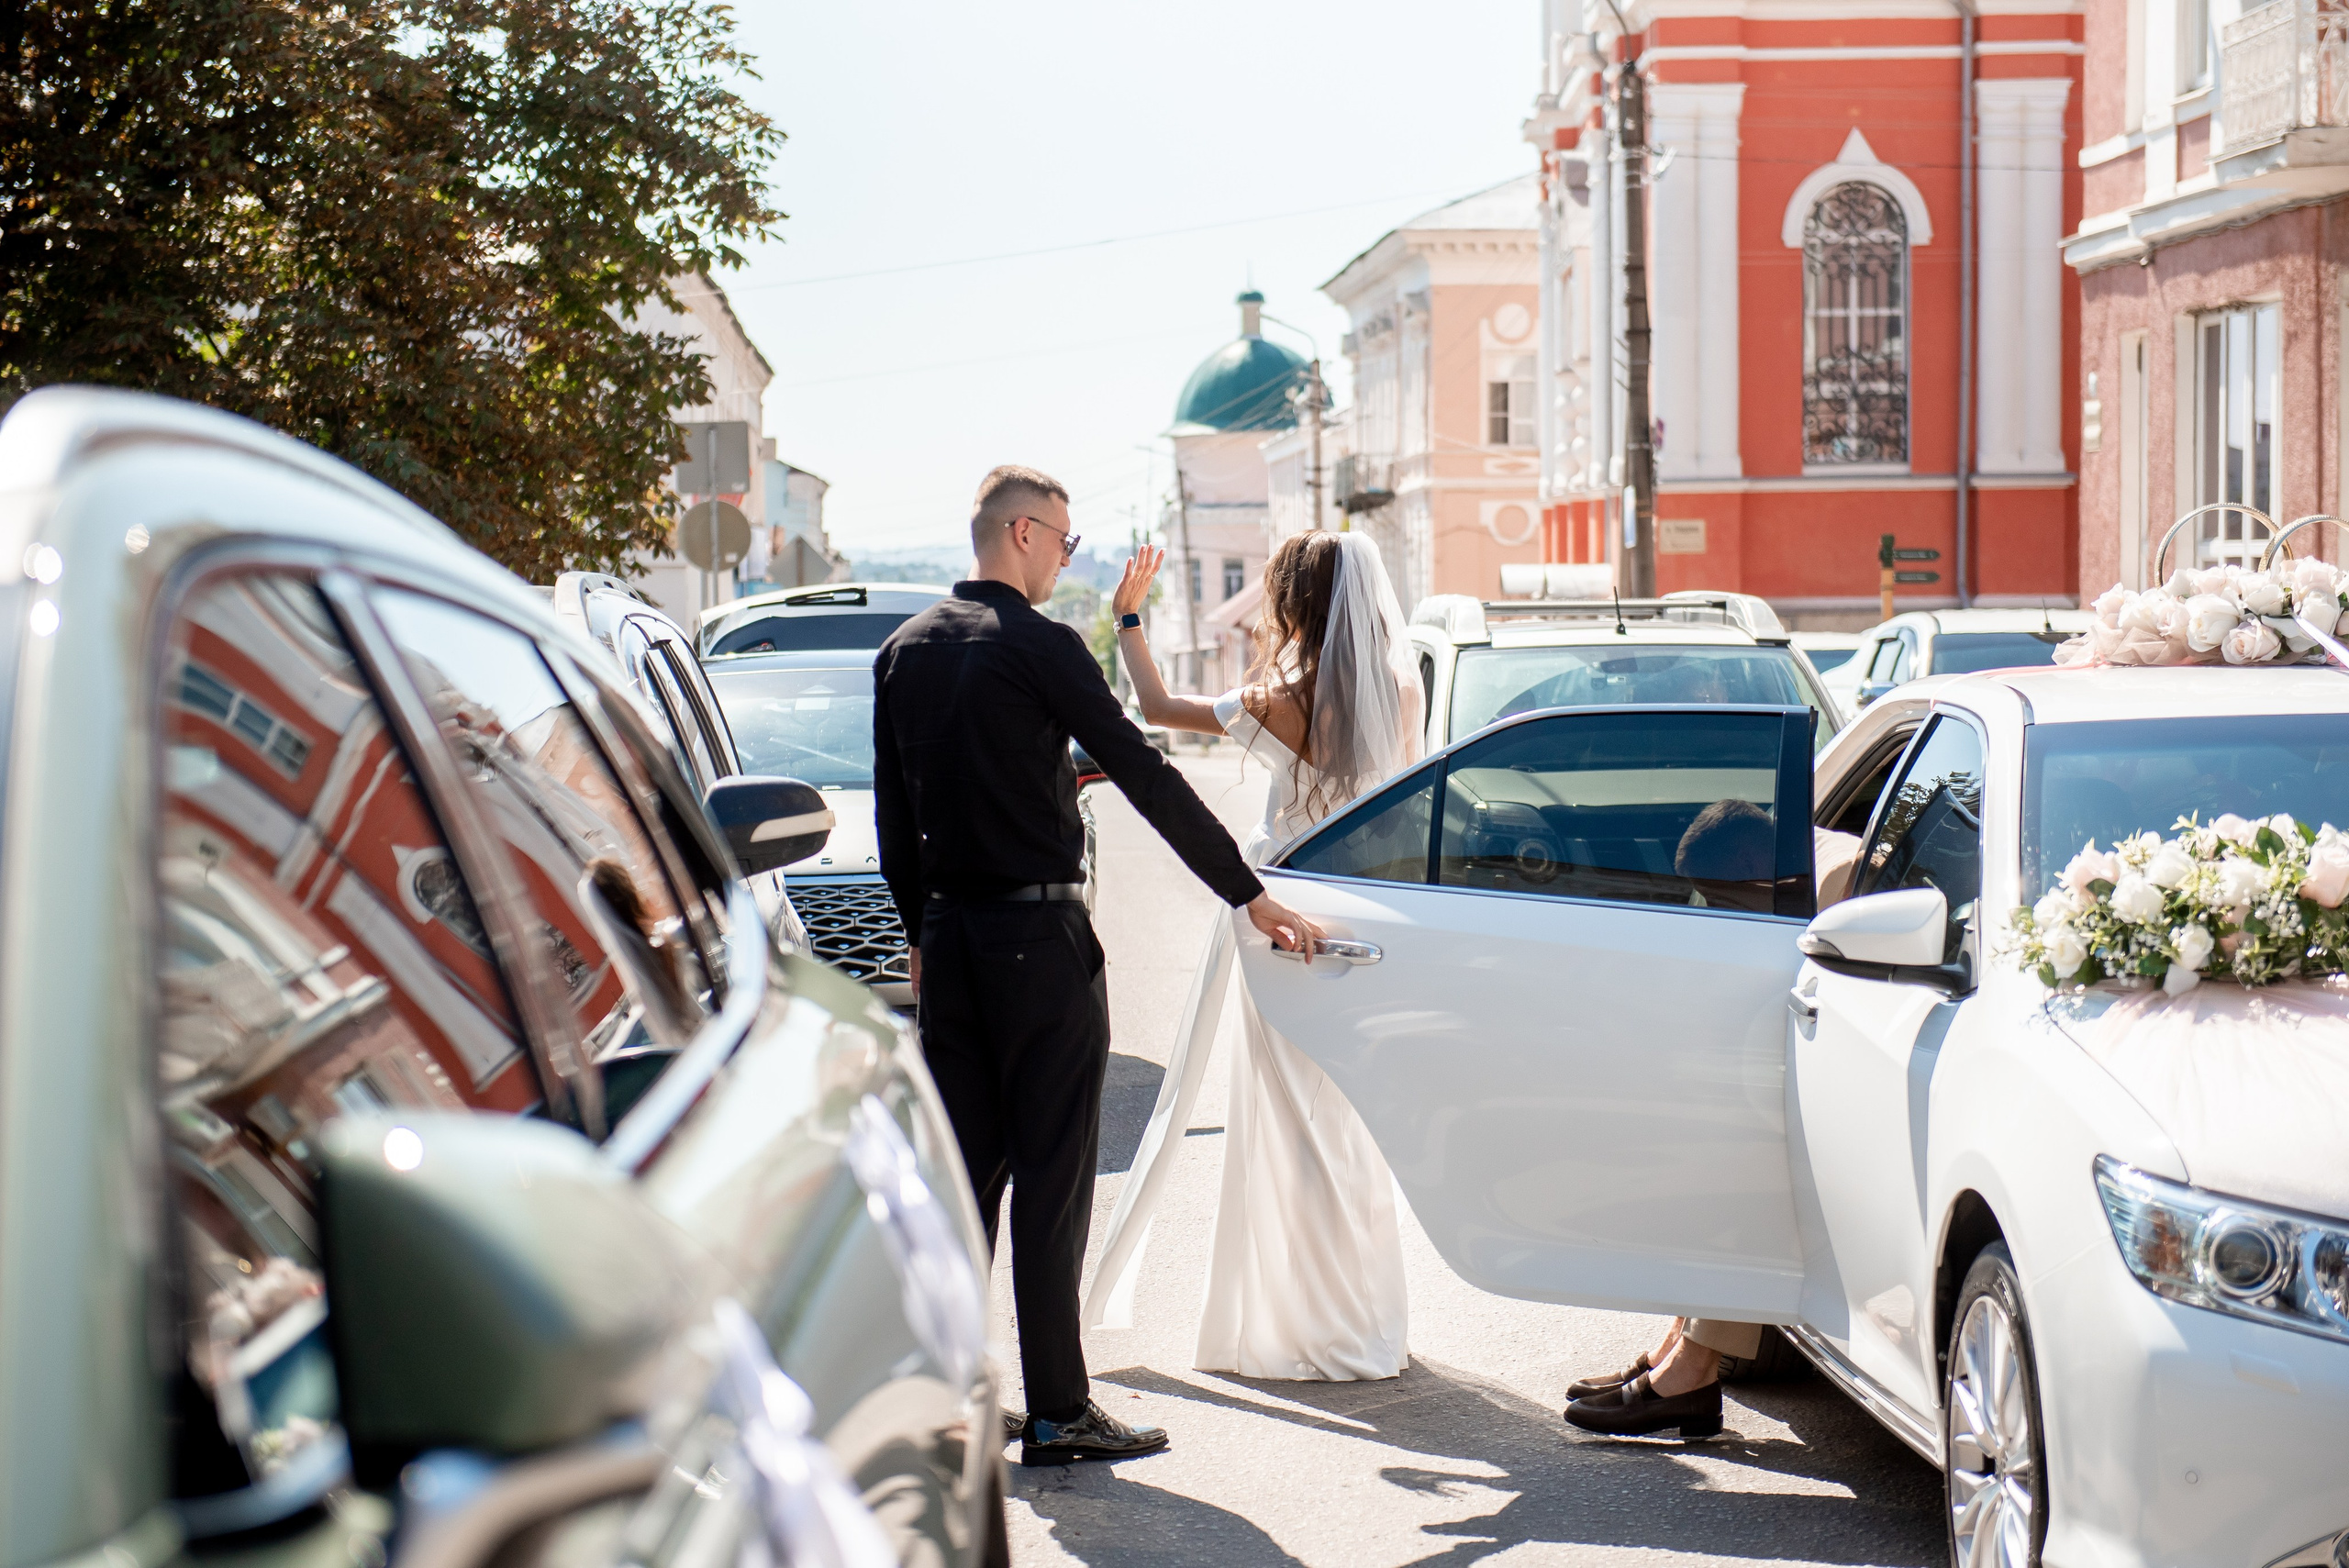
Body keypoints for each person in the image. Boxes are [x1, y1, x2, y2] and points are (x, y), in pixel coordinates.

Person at [872, 465, 1320, 1467]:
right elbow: (1146, 771)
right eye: (1066, 541)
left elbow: (895, 813)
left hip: (949, 945)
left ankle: (953, 1401)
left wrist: (920, 933)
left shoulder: (904, 650)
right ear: (1024, 534)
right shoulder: (1040, 645)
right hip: (1039, 945)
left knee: (964, 1180)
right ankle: (1058, 1408)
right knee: (1053, 1173)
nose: (1066, 558)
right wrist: (1245, 891)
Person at [1083, 529, 1425, 1381]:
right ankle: (1364, 1316)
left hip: (1280, 920)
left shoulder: (1275, 698)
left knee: (1286, 1118)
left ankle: (1294, 1318)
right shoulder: (1402, 689)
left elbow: (1156, 708)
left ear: (1292, 602)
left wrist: (1128, 618)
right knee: (1347, 1119)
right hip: (1364, 918)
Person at [1561, 815, 1866, 1437]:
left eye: (1721, 896)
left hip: (1855, 1090)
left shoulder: (1836, 878)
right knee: (1713, 1143)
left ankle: (1691, 1375)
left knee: (1744, 1170)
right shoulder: (1791, 865)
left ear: (1749, 863)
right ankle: (1676, 1350)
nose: (1719, 910)